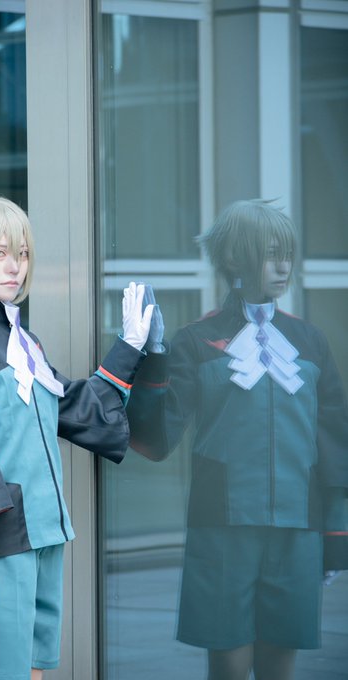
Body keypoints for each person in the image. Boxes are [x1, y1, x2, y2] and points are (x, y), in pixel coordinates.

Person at [0, 192, 153, 680]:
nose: (15, 267)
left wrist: (129, 346)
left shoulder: (23, 342)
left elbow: (75, 409)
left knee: (33, 671)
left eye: (22, 253)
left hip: (45, 537)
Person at [127, 199, 348, 680]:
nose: (283, 266)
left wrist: (336, 536)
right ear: (234, 258)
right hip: (221, 528)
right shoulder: (195, 341)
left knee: (280, 664)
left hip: (298, 527)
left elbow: (335, 448)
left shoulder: (310, 342)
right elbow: (156, 439)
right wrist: (153, 356)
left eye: (286, 253)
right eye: (270, 254)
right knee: (228, 667)